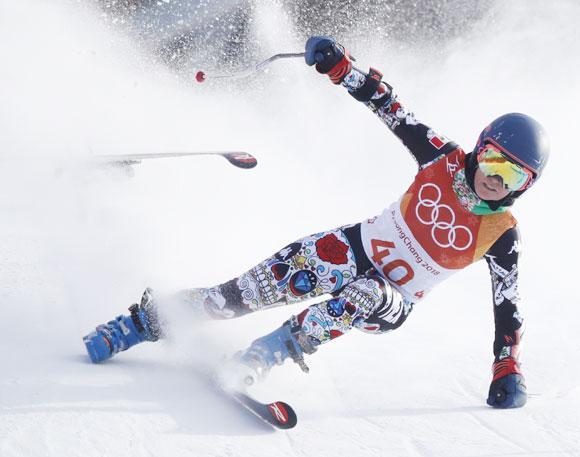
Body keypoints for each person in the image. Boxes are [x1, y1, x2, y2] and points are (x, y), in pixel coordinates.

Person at [83, 36, 550, 409]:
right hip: (349, 250)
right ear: (479, 148)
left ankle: (260, 357)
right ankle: (142, 322)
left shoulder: (502, 235)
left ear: (525, 185)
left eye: (512, 174)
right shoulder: (443, 158)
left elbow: (507, 307)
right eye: (492, 160)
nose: (495, 178)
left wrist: (507, 367)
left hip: (392, 299)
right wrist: (343, 68)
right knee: (238, 296)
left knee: (363, 294)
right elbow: (391, 109)